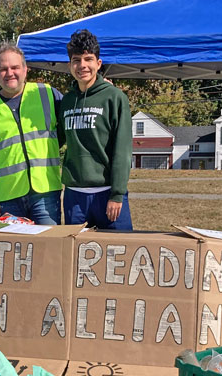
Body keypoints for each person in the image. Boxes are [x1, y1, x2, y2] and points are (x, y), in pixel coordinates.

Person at [0, 42, 62, 224]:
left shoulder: (47, 94)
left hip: (45, 194)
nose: (10, 73)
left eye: (15, 67)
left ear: (25, 69)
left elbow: (75, 114)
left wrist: (96, 89)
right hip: (8, 197)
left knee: (48, 249)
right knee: (14, 251)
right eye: (3, 69)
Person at [59, 29, 133, 230]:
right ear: (70, 65)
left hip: (107, 194)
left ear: (98, 64)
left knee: (120, 254)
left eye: (88, 59)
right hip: (74, 196)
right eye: (76, 60)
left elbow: (122, 150)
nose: (82, 65)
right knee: (75, 258)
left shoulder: (114, 98)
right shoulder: (66, 101)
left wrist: (117, 193)